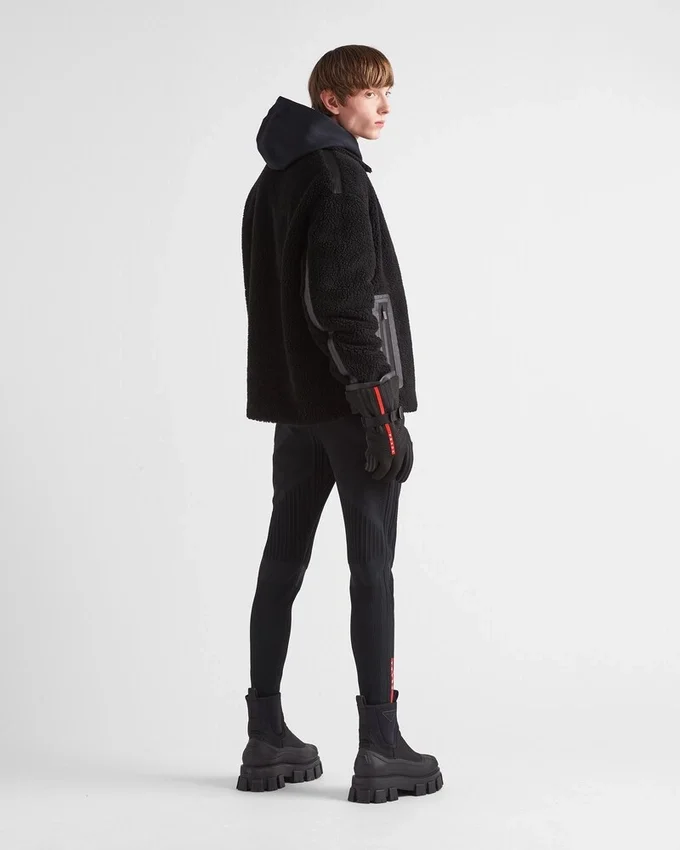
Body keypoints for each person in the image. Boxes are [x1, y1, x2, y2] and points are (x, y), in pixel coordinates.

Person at [236, 45, 443, 804]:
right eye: (370, 93)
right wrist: (379, 405)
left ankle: (266, 736)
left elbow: (280, 302)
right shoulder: (337, 175)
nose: (383, 107)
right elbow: (344, 303)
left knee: (282, 561)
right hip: (353, 409)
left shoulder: (273, 180)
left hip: (297, 408)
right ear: (332, 101)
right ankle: (380, 746)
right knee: (371, 569)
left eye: (387, 92)